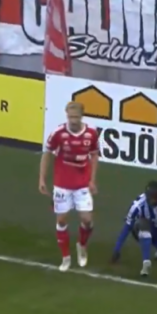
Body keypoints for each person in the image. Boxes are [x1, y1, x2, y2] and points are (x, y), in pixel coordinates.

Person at [39, 101, 100, 272]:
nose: (73, 120)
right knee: (61, 220)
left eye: (76, 117)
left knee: (87, 220)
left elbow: (94, 155)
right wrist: (42, 179)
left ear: (81, 116)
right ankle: (65, 257)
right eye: (70, 117)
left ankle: (82, 245)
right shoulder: (58, 133)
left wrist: (92, 180)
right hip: (62, 184)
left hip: (82, 184)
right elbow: (47, 154)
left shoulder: (91, 133)